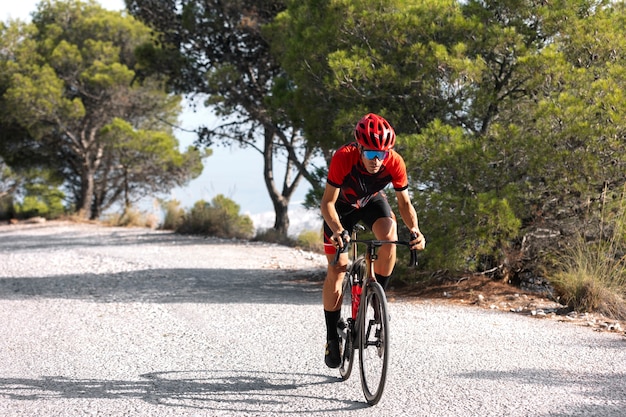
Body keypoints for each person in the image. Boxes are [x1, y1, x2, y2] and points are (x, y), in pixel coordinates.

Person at [320, 113, 426, 368]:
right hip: (341, 209)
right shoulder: (343, 156)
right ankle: (332, 336)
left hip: (370, 202)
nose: (376, 160)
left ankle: (378, 299)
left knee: (390, 237)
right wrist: (336, 230)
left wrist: (415, 230)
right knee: (337, 268)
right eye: (370, 154)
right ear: (359, 148)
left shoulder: (395, 162)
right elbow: (327, 203)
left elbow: (404, 202)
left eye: (382, 154)